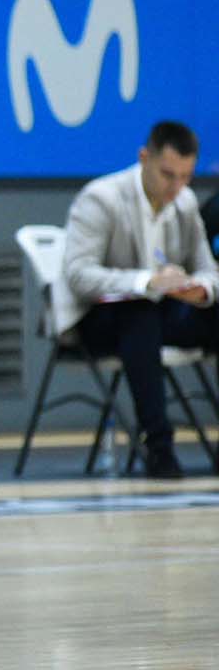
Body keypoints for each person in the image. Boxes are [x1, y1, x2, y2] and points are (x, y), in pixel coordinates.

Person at [54, 122, 219, 478]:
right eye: (167, 175)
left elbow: (209, 269)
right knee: (140, 310)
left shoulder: (185, 202)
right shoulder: (101, 198)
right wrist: (147, 281)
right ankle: (159, 446)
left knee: (204, 308)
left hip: (158, 317)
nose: (176, 187)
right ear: (144, 158)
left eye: (186, 177)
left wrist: (200, 289)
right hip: (96, 321)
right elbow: (79, 275)